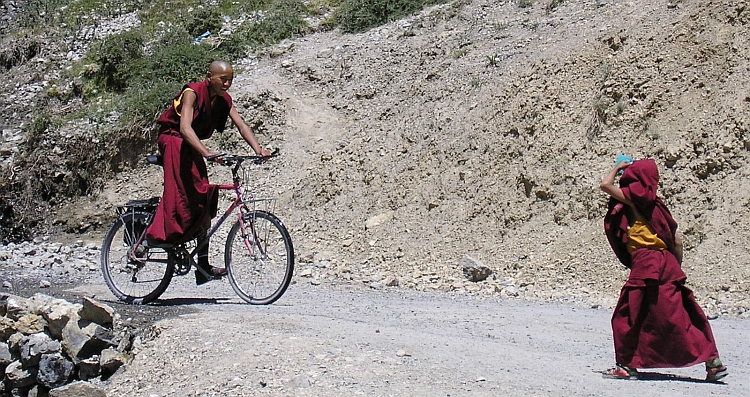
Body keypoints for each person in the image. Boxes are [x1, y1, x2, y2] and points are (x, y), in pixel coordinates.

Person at [599, 158, 728, 382]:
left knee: (629, 314)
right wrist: (675, 267)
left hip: (646, 263)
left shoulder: (635, 200)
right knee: (682, 315)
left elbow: (605, 186)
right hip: (667, 263)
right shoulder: (658, 205)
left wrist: (617, 168)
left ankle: (627, 366)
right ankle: (713, 362)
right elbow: (676, 240)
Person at [145, 60, 271, 285]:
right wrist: (206, 152)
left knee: (203, 198)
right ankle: (158, 236)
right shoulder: (192, 93)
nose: (227, 83)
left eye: (230, 79)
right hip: (174, 141)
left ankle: (202, 266)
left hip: (192, 145)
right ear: (209, 76)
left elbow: (241, 125)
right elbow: (184, 128)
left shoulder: (223, 100)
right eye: (223, 79)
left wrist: (258, 149)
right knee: (182, 196)